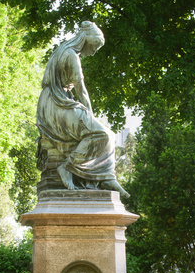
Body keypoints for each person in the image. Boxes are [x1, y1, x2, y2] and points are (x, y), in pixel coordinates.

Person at [36, 21, 129, 197]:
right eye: (94, 47)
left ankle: (107, 177)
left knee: (105, 133)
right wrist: (90, 116)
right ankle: (67, 167)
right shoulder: (71, 55)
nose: (94, 51)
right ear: (86, 40)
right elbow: (81, 90)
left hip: (53, 102)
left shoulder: (63, 50)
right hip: (55, 106)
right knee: (103, 134)